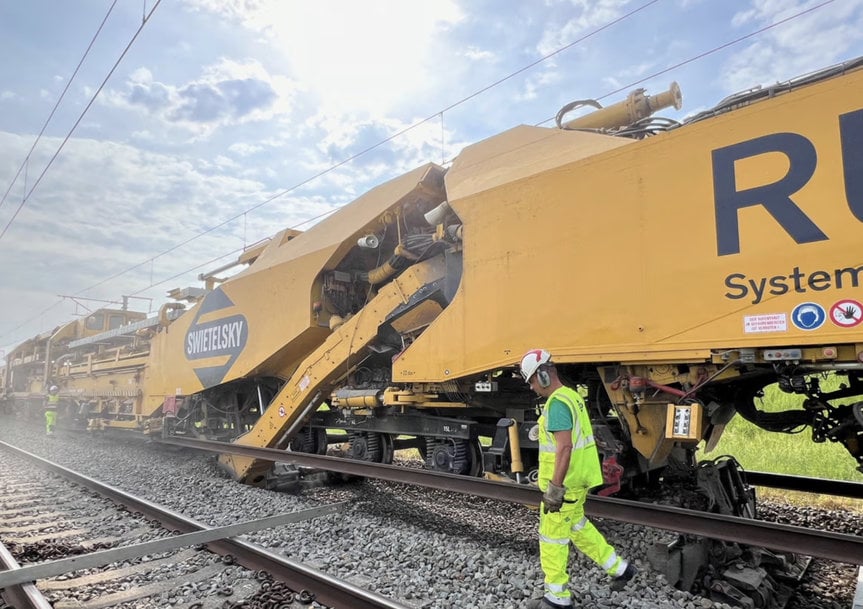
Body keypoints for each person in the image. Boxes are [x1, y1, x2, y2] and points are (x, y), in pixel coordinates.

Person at [521, 349, 637, 609]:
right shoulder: (572, 397)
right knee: (577, 527)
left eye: (531, 380)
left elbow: (564, 448)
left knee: (552, 539)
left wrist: (555, 488)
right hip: (578, 481)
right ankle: (620, 569)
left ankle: (556, 598)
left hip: (565, 486)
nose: (531, 387)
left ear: (543, 374)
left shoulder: (558, 403)